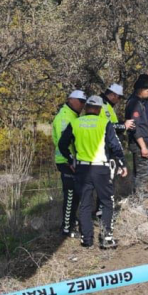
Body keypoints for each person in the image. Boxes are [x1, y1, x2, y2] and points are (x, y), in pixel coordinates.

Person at [58, 95, 128, 249]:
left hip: (82, 169)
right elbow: (115, 146)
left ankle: (86, 239)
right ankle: (106, 238)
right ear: (98, 109)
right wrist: (122, 164)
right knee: (107, 202)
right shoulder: (104, 123)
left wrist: (71, 160)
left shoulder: (75, 123)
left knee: (85, 204)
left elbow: (62, 144)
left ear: (87, 107)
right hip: (100, 168)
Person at [52, 90, 87, 237]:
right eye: (80, 101)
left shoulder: (73, 115)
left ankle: (72, 221)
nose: (82, 104)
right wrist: (70, 160)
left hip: (72, 161)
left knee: (76, 195)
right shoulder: (64, 118)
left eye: (84, 102)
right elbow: (62, 144)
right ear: (71, 100)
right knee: (71, 195)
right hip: (66, 162)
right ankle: (66, 228)